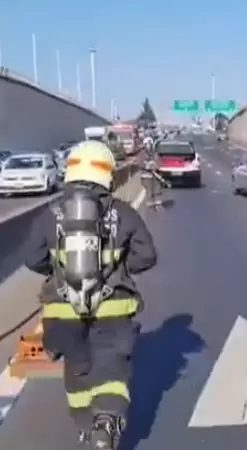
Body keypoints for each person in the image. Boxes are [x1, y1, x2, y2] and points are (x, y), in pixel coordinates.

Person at [24, 140, 158, 449]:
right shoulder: (121, 212)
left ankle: (86, 427)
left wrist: (58, 273)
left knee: (77, 367)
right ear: (107, 174)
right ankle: (105, 425)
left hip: (62, 311)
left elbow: (33, 258)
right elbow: (147, 256)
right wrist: (119, 269)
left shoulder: (50, 213)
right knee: (112, 369)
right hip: (113, 308)